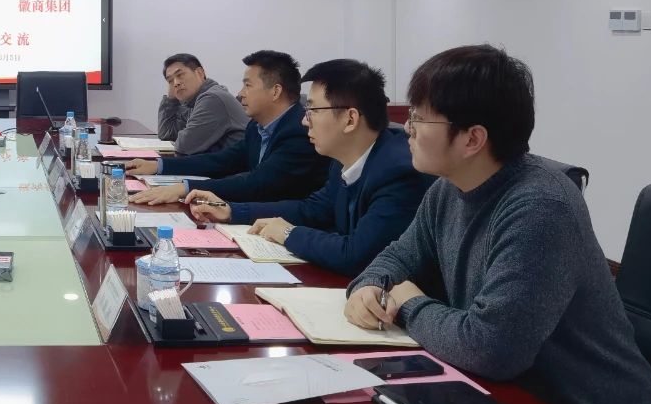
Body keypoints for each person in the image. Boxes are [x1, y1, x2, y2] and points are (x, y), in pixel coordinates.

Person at [344, 45, 651, 404]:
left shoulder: (541, 207)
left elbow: (491, 348)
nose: (408, 129)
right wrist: (370, 286)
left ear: (473, 138)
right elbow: (397, 257)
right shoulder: (447, 189)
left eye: (419, 117)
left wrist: (408, 304)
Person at [189, 59, 432, 275]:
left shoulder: (398, 172)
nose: (305, 121)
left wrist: (288, 233)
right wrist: (232, 211)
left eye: (313, 110)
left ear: (350, 119)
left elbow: (357, 255)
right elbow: (312, 209)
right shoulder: (343, 158)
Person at [128, 50, 327, 205]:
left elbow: (258, 183)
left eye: (248, 85)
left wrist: (185, 188)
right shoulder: (257, 126)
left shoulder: (299, 132)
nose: (240, 94)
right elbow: (222, 161)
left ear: (275, 92)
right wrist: (159, 166)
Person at [157, 53, 248, 155]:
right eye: (170, 81)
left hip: (237, 165)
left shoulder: (212, 99)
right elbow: (166, 133)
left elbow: (184, 146)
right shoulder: (191, 103)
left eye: (180, 75)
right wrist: (171, 98)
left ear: (200, 73)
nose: (176, 83)